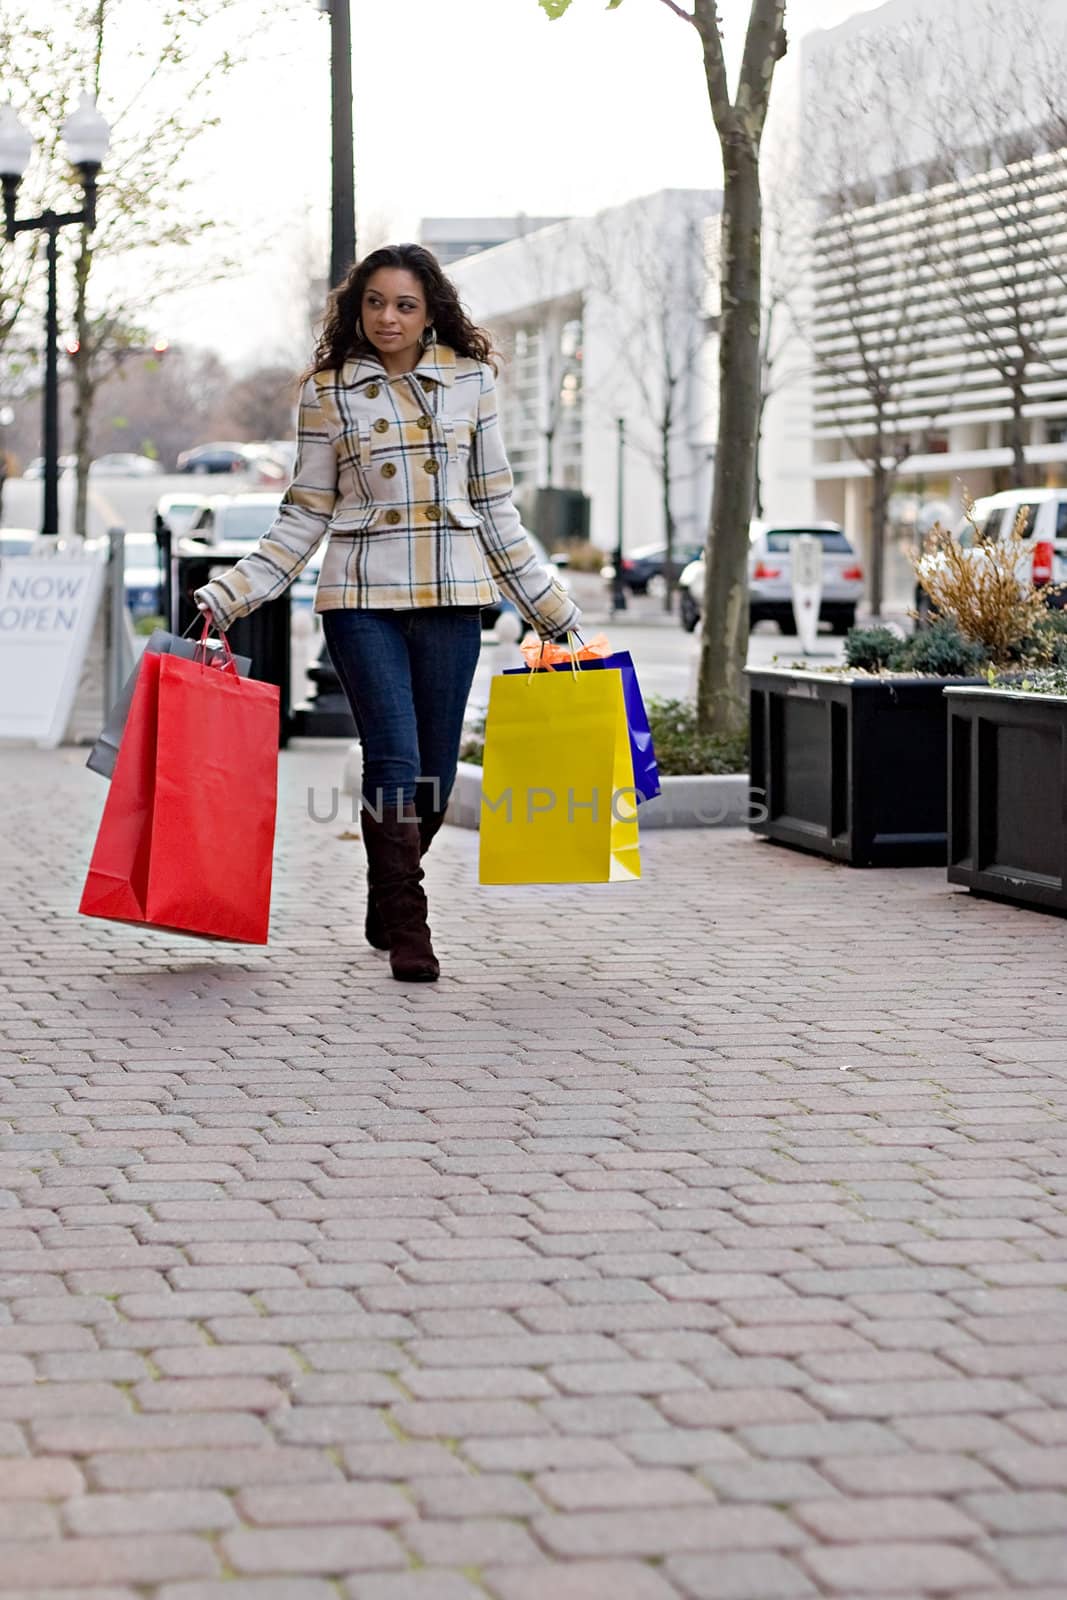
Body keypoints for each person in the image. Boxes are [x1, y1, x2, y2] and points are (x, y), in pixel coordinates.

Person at [195, 243, 581, 983]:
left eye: (404, 304)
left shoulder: (471, 382)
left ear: (430, 310)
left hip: (451, 600)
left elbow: (496, 510)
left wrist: (549, 607)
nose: (387, 317)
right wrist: (232, 591)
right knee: (395, 761)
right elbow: (304, 513)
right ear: (356, 307)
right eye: (374, 302)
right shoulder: (328, 392)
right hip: (361, 598)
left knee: (435, 769)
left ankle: (384, 886)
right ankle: (409, 921)